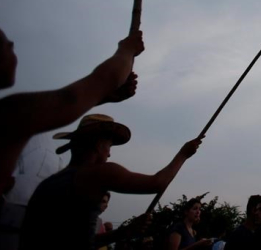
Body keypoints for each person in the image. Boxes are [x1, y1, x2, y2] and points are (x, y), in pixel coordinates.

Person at [19, 113, 202, 250]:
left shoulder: (49, 184)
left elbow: (81, 241)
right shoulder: (99, 173)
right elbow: (158, 183)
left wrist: (125, 231)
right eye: (109, 145)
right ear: (98, 144)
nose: (110, 152)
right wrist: (183, 154)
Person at [0, 28, 145, 196]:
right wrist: (126, 49)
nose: (11, 44)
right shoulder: (11, 111)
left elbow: (70, 102)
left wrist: (103, 95)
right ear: (97, 145)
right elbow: (74, 97)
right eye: (4, 43)